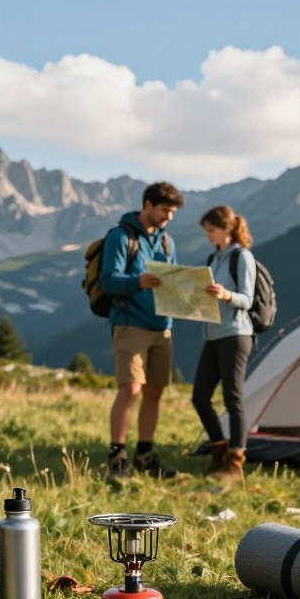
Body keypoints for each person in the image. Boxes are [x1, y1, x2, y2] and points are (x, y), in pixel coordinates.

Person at [100, 181, 185, 480]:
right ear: (148, 205)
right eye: (165, 210)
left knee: (155, 392)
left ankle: (146, 456)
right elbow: (108, 281)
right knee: (131, 389)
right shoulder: (121, 237)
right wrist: (139, 282)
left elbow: (172, 280)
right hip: (130, 324)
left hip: (163, 325)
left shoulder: (167, 242)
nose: (169, 217)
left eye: (173, 212)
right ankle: (117, 457)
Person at [191, 205, 257, 477]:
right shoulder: (213, 259)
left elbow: (247, 299)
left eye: (212, 230)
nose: (208, 235)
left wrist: (225, 295)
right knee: (200, 397)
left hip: (236, 334)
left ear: (227, 229)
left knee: (233, 397)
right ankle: (219, 451)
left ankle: (234, 461)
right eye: (206, 230)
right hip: (214, 334)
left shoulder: (241, 257)